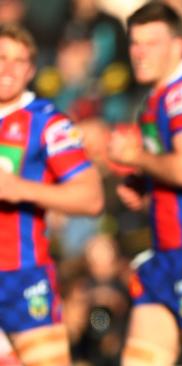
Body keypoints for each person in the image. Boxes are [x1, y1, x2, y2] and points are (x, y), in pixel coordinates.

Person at [107, 3, 182, 365]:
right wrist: (143, 183)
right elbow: (170, 169)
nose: (139, 53)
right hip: (164, 252)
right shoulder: (155, 98)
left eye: (151, 43)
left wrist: (135, 157)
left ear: (176, 44)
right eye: (135, 43)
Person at [0, 23, 103, 365]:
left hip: (23, 276)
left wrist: (19, 189)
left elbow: (91, 198)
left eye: (19, 60)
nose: (9, 68)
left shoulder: (47, 123)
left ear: (31, 70)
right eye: (2, 57)